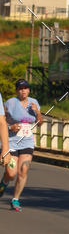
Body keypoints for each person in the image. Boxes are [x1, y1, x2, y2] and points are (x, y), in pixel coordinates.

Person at [0, 79, 42, 211]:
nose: (23, 90)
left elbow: (39, 123)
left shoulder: (34, 102)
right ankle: (4, 182)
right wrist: (10, 126)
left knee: (23, 170)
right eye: (20, 88)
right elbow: (1, 121)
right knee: (11, 173)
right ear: (17, 90)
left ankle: (15, 199)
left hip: (27, 142)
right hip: (12, 142)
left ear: (29, 90)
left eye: (26, 88)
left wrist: (37, 112)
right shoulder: (10, 103)